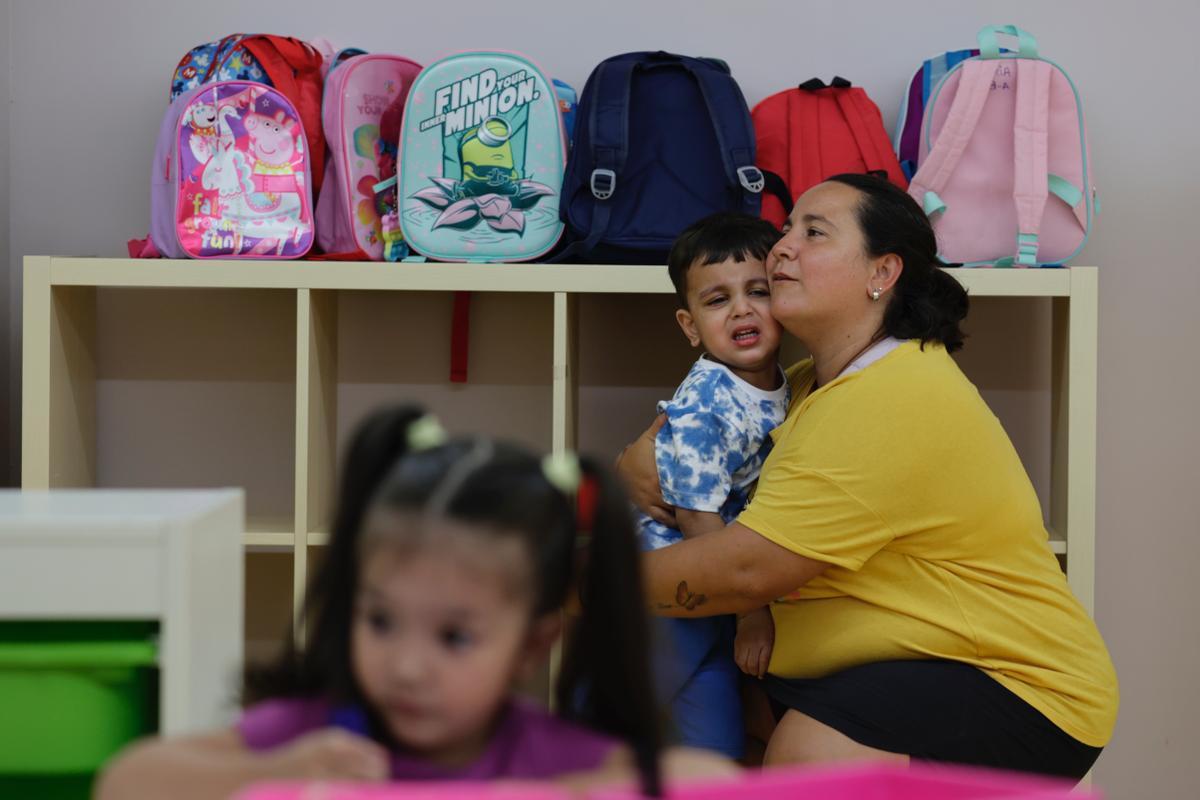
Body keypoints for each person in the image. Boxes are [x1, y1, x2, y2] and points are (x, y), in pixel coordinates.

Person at [617, 173, 1118, 781]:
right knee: (725, 735)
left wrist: (580, 583)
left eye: (814, 232)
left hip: (1022, 690)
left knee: (808, 754)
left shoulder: (891, 397)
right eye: (785, 230)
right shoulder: (805, 384)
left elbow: (746, 571)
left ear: (882, 274)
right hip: (888, 658)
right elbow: (673, 445)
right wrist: (635, 462)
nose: (782, 248)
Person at [98, 406, 734, 799]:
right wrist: (278, 774)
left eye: (454, 637)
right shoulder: (321, 739)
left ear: (533, 644)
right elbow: (127, 781)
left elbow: (712, 782)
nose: (406, 666)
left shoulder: (552, 761)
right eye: (380, 620)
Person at [637, 212, 789, 760]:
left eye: (758, 291)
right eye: (718, 300)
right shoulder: (708, 397)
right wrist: (750, 612)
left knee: (715, 749)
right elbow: (694, 513)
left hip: (709, 594)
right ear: (690, 325)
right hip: (665, 595)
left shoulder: (781, 386)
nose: (743, 309)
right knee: (614, 730)